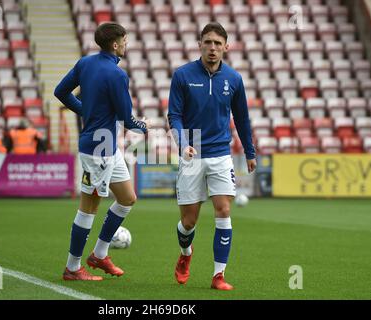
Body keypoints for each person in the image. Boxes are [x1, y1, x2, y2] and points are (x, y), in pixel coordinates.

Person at [54, 22, 149, 281]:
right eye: (125, 41)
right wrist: (144, 125)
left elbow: (60, 92)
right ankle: (72, 268)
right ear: (116, 45)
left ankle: (99, 254)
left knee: (128, 198)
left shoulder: (85, 63)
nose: (127, 44)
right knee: (88, 208)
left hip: (108, 148)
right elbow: (126, 118)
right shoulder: (117, 75)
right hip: (98, 151)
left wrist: (85, 110)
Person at [167, 22, 257, 290]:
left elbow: (242, 118)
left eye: (218, 43)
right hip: (191, 155)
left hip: (221, 154)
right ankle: (185, 255)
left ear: (226, 47)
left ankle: (218, 276)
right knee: (188, 222)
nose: (213, 48)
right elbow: (174, 115)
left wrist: (250, 152)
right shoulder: (182, 75)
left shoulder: (234, 79)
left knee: (224, 210)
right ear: (200, 45)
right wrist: (183, 143)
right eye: (208, 42)